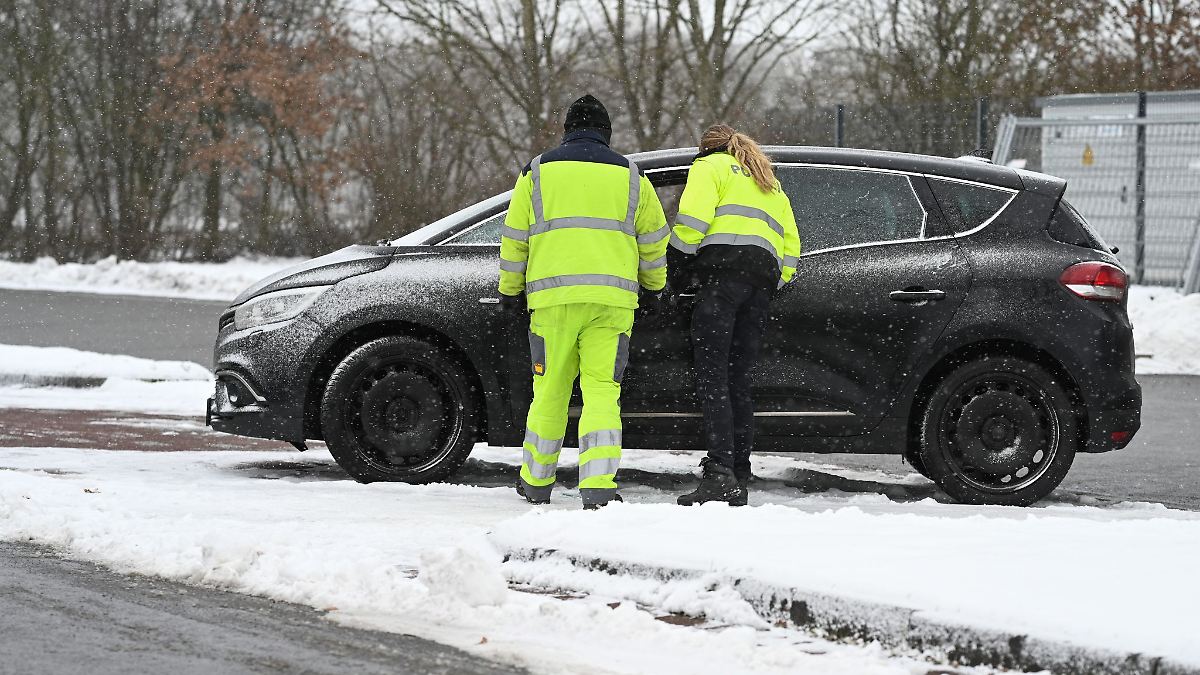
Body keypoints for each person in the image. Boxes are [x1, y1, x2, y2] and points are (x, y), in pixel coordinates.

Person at [498, 94, 670, 510]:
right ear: (607, 134)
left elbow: (514, 238)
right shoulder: (632, 176)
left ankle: (536, 482)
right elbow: (653, 241)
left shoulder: (537, 172)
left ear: (567, 131)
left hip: (552, 301)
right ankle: (597, 487)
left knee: (550, 392)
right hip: (612, 304)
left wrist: (509, 292)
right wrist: (656, 287)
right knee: (602, 393)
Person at [671, 124, 801, 506]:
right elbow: (791, 247)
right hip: (758, 289)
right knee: (737, 381)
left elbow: (692, 224)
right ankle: (739, 469)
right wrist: (772, 281)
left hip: (721, 282)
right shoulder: (769, 183)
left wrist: (674, 268)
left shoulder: (708, 167)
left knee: (713, 379)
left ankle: (720, 474)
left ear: (708, 148)